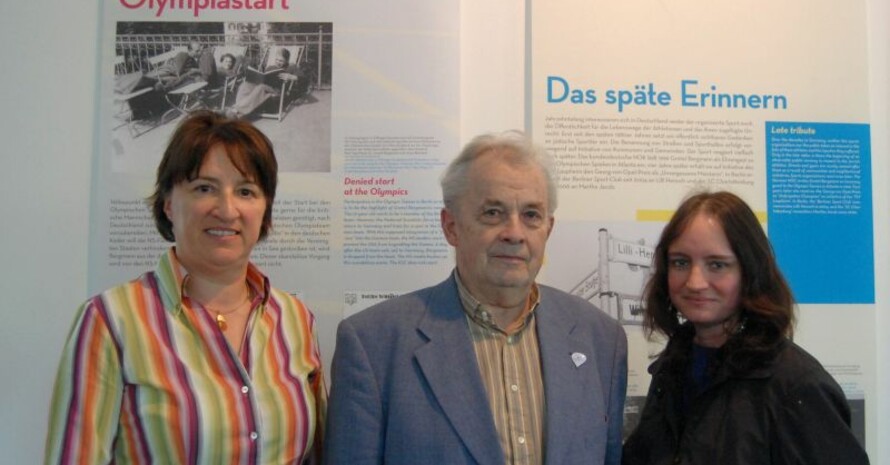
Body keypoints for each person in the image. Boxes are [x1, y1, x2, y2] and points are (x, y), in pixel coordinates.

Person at [324, 131, 628, 465]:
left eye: (531, 215)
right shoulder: (373, 345)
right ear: (451, 226)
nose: (514, 233)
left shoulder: (601, 340)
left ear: (548, 229)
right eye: (493, 213)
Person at [45, 111, 326, 464]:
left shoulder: (295, 320)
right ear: (168, 203)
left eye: (245, 190)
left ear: (264, 209)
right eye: (204, 188)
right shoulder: (110, 320)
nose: (227, 209)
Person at [622, 191, 869, 465]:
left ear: (750, 272)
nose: (694, 282)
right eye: (680, 262)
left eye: (717, 264)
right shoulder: (672, 369)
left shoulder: (796, 386)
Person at [227, 47, 299, 119]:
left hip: (276, 92)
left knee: (261, 87)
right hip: (263, 87)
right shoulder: (270, 67)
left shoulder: (291, 67)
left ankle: (236, 110)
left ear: (287, 60)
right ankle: (237, 112)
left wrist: (291, 76)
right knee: (244, 85)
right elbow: (264, 78)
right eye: (276, 60)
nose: (278, 62)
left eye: (281, 61)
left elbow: (304, 79)